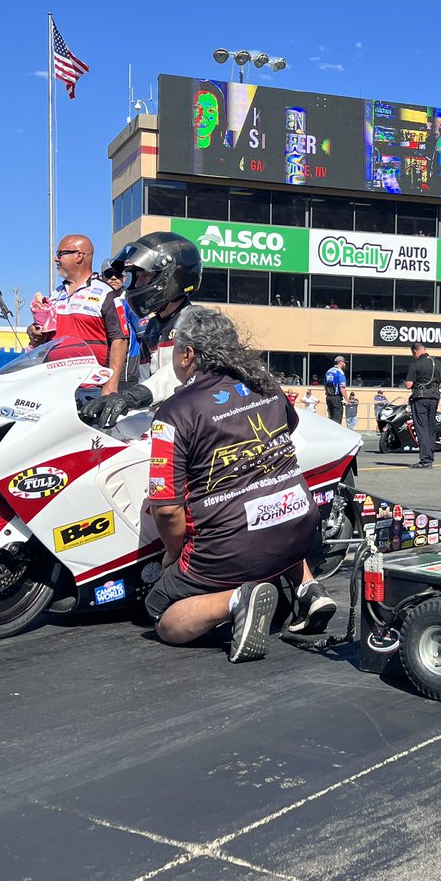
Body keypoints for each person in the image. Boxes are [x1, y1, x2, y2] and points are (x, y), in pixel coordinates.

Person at [144, 308, 336, 662]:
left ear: (188, 354)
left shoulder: (174, 412)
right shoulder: (266, 385)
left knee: (161, 612)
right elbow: (287, 427)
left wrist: (173, 553)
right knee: (270, 511)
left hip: (231, 547)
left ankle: (238, 600)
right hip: (300, 525)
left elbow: (167, 508)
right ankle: (309, 589)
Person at [81, 233, 202, 428]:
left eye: (145, 276)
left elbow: (179, 376)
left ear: (172, 276)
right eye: (135, 277)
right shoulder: (153, 327)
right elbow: (149, 380)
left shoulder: (198, 322)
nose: (137, 285)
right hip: (167, 422)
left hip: (198, 425)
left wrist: (131, 397)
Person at [27, 234, 128, 396]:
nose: (55, 259)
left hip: (89, 389)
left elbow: (120, 340)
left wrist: (111, 385)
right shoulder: (54, 295)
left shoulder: (106, 293)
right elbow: (45, 336)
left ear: (79, 256)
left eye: (60, 254)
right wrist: (33, 331)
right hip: (52, 385)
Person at [101, 258, 145, 386]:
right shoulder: (97, 301)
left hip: (127, 374)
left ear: (124, 278)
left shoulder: (130, 301)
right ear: (102, 277)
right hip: (101, 372)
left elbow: (144, 336)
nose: (114, 278)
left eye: (118, 274)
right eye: (109, 275)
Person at [404, 340, 441, 468]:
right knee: (431, 428)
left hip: (420, 398)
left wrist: (406, 383)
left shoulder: (415, 364)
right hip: (434, 398)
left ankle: (425, 460)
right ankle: (430, 458)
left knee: (422, 428)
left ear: (415, 351)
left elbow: (409, 385)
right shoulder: (437, 363)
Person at [324, 356, 348, 424]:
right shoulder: (339, 372)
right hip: (336, 398)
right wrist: (346, 399)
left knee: (331, 418)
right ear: (341, 363)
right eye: (344, 363)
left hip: (328, 397)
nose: (345, 364)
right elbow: (342, 387)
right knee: (337, 420)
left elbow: (325, 385)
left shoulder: (328, 371)